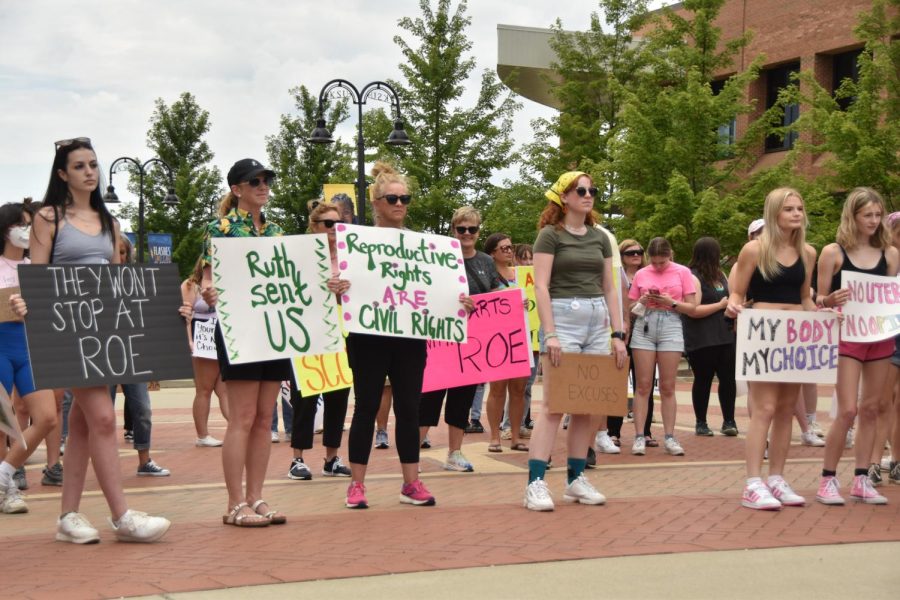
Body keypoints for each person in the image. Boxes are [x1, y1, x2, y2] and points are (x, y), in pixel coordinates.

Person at [9, 137, 172, 542]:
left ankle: (69, 516)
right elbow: (40, 273)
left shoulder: (109, 222)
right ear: (63, 174)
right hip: (69, 329)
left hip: (106, 332)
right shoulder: (49, 217)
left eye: (94, 165)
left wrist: (165, 312)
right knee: (101, 417)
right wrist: (31, 307)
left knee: (81, 425)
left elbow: (119, 282)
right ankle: (122, 516)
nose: (90, 172)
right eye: (80, 166)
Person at [338, 161, 472, 508]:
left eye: (405, 198)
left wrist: (458, 303)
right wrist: (337, 288)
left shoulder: (424, 247)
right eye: (392, 198)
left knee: (410, 409)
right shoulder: (356, 243)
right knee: (366, 407)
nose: (400, 204)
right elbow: (339, 288)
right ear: (376, 203)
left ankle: (411, 483)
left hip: (409, 337)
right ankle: (357, 485)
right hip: (368, 336)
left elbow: (438, 289)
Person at [524, 171, 627, 511]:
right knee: (554, 404)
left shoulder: (600, 237)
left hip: (597, 318)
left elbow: (610, 287)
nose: (588, 195)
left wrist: (618, 333)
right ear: (563, 197)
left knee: (589, 403)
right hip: (563, 317)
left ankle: (575, 479)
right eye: (580, 190)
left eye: (591, 190)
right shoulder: (550, 236)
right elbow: (541, 285)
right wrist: (550, 332)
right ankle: (536, 482)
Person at [200, 158, 290, 527]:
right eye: (255, 181)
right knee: (243, 417)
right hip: (238, 329)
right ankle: (235, 502)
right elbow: (208, 280)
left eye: (266, 180)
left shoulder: (278, 232)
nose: (263, 185)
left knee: (265, 417)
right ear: (237, 189)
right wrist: (210, 291)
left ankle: (257, 496)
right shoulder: (220, 228)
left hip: (273, 328)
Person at [727, 187, 818, 510]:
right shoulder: (754, 250)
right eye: (789, 208)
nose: (796, 213)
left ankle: (777, 478)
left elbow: (806, 297)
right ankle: (753, 482)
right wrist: (735, 307)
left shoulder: (808, 252)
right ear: (774, 213)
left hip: (795, 336)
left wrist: (820, 318)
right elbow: (737, 293)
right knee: (764, 407)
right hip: (764, 334)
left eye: (799, 208)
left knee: (786, 409)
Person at [815, 187, 898, 505]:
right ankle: (827, 479)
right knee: (848, 409)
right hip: (847, 336)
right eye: (868, 216)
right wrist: (828, 300)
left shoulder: (890, 254)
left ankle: (862, 477)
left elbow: (891, 296)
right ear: (853, 216)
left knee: (872, 408)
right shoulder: (833, 252)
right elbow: (816, 298)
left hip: (879, 336)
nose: (874, 221)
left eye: (878, 215)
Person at [420, 206, 495, 472]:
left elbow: (496, 295)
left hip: (471, 343)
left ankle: (455, 452)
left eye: (471, 229)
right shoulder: (439, 258)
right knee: (430, 396)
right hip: (441, 338)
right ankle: (413, 453)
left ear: (478, 230)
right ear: (453, 230)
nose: (466, 233)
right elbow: (424, 290)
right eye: (461, 229)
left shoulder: (486, 262)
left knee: (462, 399)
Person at [0, 201, 60, 514]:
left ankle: (4, 474)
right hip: (0, 344)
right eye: (21, 224)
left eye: (29, 224)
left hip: (29, 346)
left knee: (47, 416)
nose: (27, 230)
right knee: (2, 423)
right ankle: (7, 491)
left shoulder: (34, 266)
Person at [287, 201, 351, 480]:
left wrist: (345, 291)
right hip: (308, 334)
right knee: (306, 397)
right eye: (328, 224)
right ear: (314, 227)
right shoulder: (300, 258)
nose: (334, 230)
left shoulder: (350, 257)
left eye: (338, 224)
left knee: (339, 395)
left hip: (342, 334)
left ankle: (332, 458)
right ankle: (297, 458)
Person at [628, 237, 697, 456]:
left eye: (662, 262)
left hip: (671, 322)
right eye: (655, 262)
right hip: (645, 323)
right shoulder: (641, 273)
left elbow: (693, 307)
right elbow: (630, 306)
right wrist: (642, 301)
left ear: (670, 255)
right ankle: (639, 435)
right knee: (643, 384)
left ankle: (670, 435)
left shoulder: (682, 272)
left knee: (668, 386)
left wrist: (671, 302)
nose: (658, 266)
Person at [110, 236, 170, 477]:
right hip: (103, 355)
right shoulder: (92, 282)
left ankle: (144, 460)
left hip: (133, 354)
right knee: (101, 414)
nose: (120, 257)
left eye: (123, 252)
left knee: (142, 409)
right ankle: (101, 462)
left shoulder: (139, 281)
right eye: (116, 252)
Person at [681, 237, 738, 436]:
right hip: (702, 338)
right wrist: (720, 306)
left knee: (728, 379)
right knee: (703, 379)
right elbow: (693, 310)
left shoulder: (721, 274)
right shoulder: (693, 276)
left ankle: (729, 420)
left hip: (725, 336)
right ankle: (701, 422)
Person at [482, 232, 529, 453]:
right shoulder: (487, 276)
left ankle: (516, 435)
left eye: (511, 247)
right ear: (493, 253)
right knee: (498, 389)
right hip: (496, 338)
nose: (510, 251)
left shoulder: (522, 274)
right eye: (504, 248)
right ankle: (494, 436)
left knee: (519, 389)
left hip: (521, 335)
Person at [613, 239, 657, 449]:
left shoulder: (650, 274)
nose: (636, 255)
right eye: (630, 253)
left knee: (644, 384)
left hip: (646, 332)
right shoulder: (616, 277)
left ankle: (645, 431)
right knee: (617, 383)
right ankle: (613, 432)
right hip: (622, 334)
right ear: (621, 256)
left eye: (639, 252)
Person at [181, 257, 228, 447]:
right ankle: (203, 435)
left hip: (222, 337)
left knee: (225, 389)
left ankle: (237, 426)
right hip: (203, 338)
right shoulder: (191, 285)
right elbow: (186, 315)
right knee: (204, 388)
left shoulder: (226, 281)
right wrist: (190, 341)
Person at [870, 211, 900, 486]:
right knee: (883, 401)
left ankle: (896, 461)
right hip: (888, 333)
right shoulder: (883, 260)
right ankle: (875, 461)